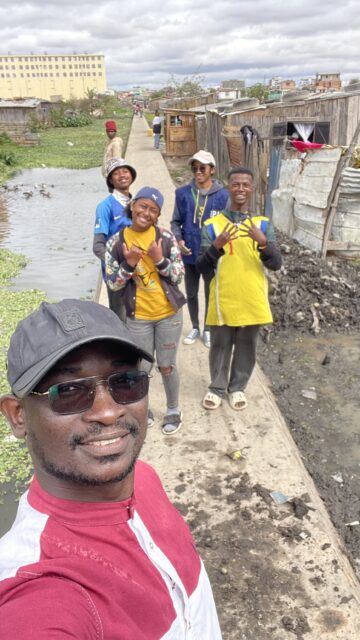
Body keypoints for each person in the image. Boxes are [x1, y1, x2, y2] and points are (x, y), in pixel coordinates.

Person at [0, 299, 222, 639]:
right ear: (18, 415)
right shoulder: (39, 586)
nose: (108, 411)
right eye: (70, 391)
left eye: (125, 382)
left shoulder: (143, 477)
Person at [196, 166, 282, 411]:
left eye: (245, 184)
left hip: (252, 298)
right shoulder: (212, 225)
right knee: (220, 346)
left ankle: (237, 388)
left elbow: (276, 264)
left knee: (247, 346)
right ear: (228, 187)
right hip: (223, 298)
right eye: (236, 184)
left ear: (252, 188)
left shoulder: (263, 225)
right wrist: (216, 246)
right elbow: (202, 267)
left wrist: (263, 243)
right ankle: (217, 387)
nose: (241, 189)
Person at [105, 187, 186, 435]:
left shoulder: (165, 237)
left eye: (153, 210)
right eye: (142, 206)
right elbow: (113, 283)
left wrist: (160, 260)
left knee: (167, 366)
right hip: (138, 318)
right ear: (132, 206)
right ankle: (143, 410)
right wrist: (129, 264)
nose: (146, 212)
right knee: (140, 369)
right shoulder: (116, 242)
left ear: (158, 214)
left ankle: (173, 410)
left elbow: (179, 275)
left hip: (168, 316)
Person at [170, 150, 228, 349]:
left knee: (210, 292)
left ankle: (208, 329)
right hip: (189, 253)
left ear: (212, 170)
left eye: (202, 168)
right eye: (194, 168)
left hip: (212, 255)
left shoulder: (223, 196)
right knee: (192, 293)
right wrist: (178, 240)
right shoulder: (183, 194)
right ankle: (195, 326)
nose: (198, 172)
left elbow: (227, 225)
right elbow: (175, 221)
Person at [93, 157, 136, 317]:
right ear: (111, 180)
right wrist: (118, 266)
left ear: (131, 175)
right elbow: (98, 246)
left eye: (125, 171)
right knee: (120, 318)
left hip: (138, 271)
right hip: (117, 275)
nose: (122, 175)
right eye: (116, 173)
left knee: (139, 319)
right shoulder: (105, 206)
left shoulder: (136, 204)